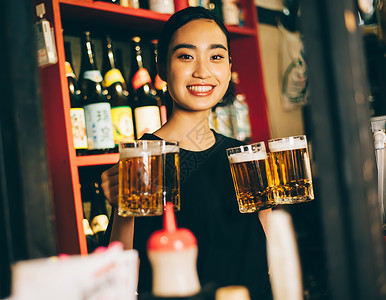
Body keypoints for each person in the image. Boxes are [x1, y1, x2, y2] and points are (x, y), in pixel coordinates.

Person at [101, 6, 272, 300]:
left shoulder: (242, 153)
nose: (202, 71)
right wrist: (122, 209)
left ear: (229, 67)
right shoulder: (146, 158)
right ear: (163, 68)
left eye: (216, 56)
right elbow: (119, 278)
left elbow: (270, 251)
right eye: (186, 56)